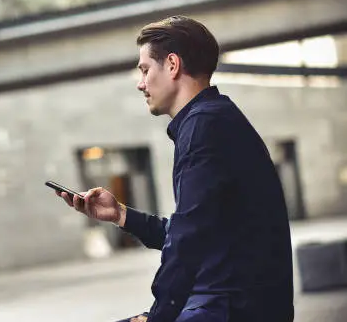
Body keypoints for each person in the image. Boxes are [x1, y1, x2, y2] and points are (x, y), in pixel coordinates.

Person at [57, 16, 294, 322]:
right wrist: (120, 215)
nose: (140, 83)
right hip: (229, 303)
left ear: (172, 65)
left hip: (231, 308)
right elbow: (197, 232)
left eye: (144, 70)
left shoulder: (204, 127)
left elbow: (187, 241)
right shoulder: (214, 119)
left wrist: (158, 318)